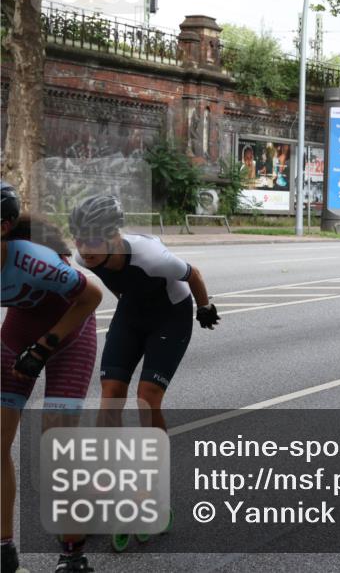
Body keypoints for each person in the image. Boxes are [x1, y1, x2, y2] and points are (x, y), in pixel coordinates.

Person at [1, 182, 103, 573]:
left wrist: (43, 347)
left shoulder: (31, 259)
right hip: (18, 329)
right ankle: (4, 548)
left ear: (4, 227)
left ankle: (73, 554)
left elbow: (91, 296)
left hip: (69, 329)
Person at [68, 195, 220, 435]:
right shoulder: (85, 258)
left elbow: (194, 275)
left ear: (114, 236)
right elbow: (114, 280)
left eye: (93, 239)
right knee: (111, 394)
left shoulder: (150, 256)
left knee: (146, 399)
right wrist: (125, 302)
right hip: (131, 314)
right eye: (78, 239)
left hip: (169, 317)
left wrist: (204, 308)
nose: (85, 249)